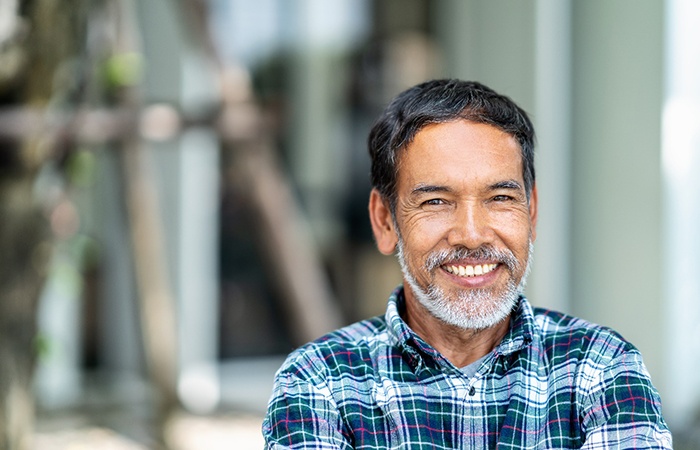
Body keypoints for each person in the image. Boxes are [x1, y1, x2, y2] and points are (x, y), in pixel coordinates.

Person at [262, 79, 672, 449]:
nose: (472, 235)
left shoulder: (599, 367)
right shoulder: (321, 382)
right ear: (385, 221)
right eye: (436, 202)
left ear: (531, 214)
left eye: (499, 198)